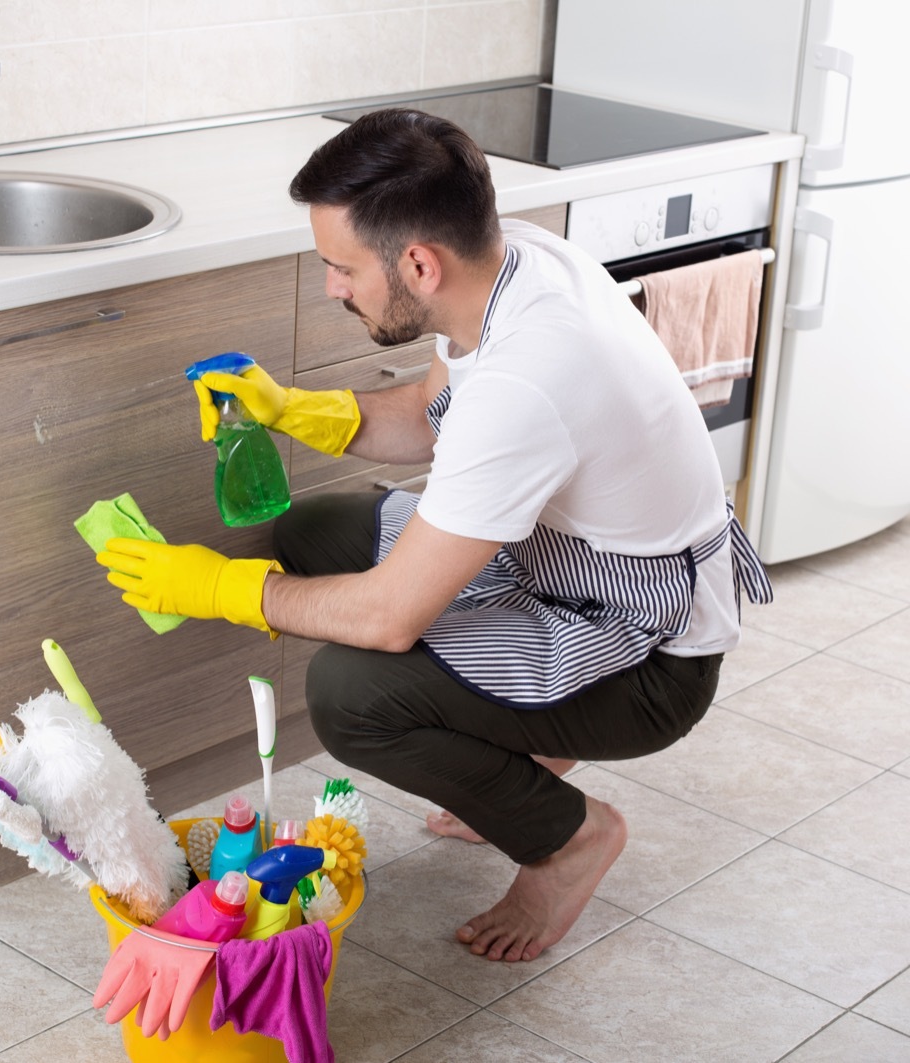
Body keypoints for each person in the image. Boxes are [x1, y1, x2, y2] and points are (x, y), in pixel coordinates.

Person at [98, 108, 773, 964]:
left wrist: (218, 588)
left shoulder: (531, 378)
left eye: (342, 268)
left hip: (651, 658)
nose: (333, 288)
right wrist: (292, 407)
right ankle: (519, 761)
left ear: (418, 263)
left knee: (353, 691)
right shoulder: (511, 262)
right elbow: (426, 417)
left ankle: (566, 841)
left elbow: (389, 618)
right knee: (316, 530)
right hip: (565, 571)